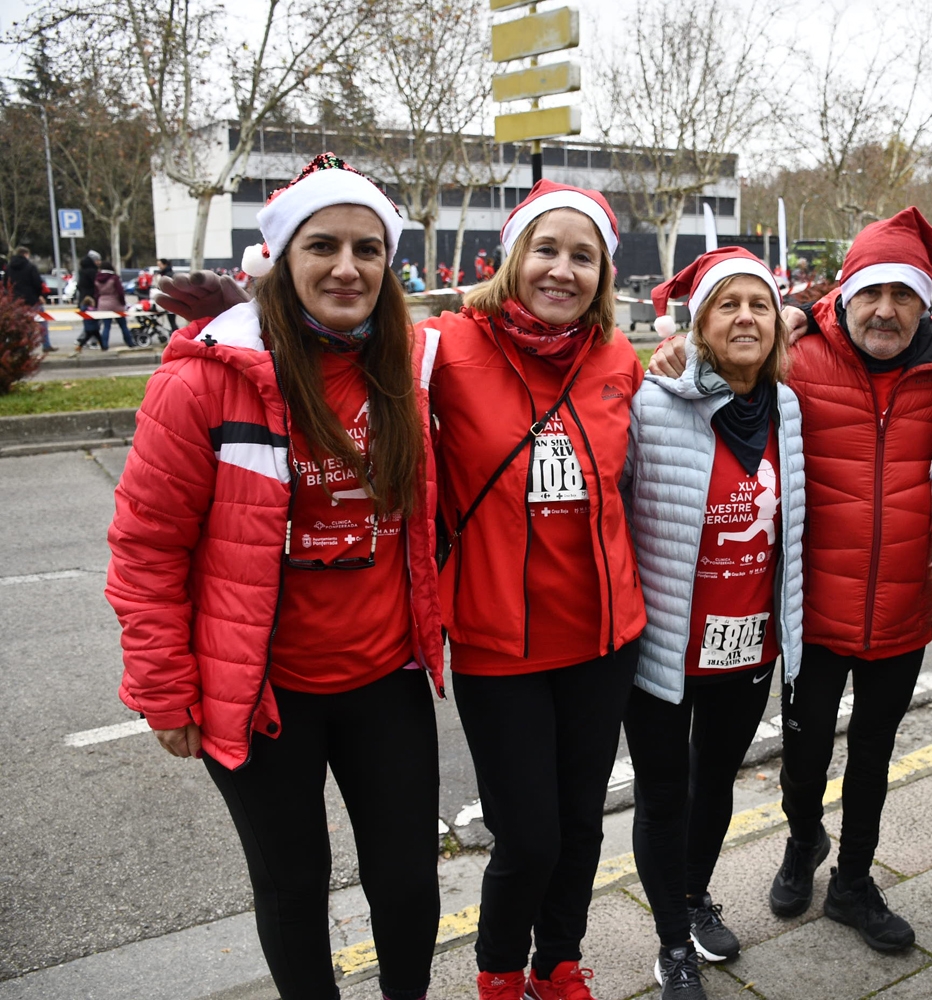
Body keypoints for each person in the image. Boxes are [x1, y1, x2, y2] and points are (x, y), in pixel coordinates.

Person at [105, 152, 445, 1000]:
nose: (346, 267)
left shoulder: (410, 367)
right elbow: (146, 548)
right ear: (283, 260)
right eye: (322, 245)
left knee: (407, 882)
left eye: (368, 249)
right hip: (263, 695)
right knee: (294, 888)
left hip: (384, 677)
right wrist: (164, 688)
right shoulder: (202, 383)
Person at [651, 207, 932, 954]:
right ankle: (802, 843)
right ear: (844, 295)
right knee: (805, 754)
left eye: (904, 295)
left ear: (926, 305)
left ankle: (853, 882)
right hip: (811, 613)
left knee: (874, 760)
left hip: (902, 612)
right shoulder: (802, 363)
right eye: (871, 293)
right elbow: (729, 365)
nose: (885, 310)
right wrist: (679, 353)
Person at [424, 180, 646, 1000]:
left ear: (603, 275)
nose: (562, 270)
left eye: (582, 256)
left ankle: (558, 961)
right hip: (498, 644)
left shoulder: (618, 359)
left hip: (602, 640)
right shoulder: (446, 347)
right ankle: (495, 972)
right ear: (514, 256)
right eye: (546, 250)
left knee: (582, 825)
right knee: (528, 836)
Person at [624, 247, 805, 1000]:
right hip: (664, 643)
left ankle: (693, 897)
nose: (745, 318)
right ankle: (672, 943)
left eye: (759, 305)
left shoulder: (789, 406)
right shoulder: (652, 401)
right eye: (726, 305)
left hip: (748, 640)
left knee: (717, 779)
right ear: (697, 323)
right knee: (664, 791)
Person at [5, 245, 52, 351]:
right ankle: (46, 345)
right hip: (31, 300)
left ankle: (20, 346)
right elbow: (37, 283)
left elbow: (5, 284)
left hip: (15, 301)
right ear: (26, 254)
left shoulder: (9, 268)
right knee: (42, 321)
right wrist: (39, 295)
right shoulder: (30, 267)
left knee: (19, 324)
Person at [93, 260, 135, 348]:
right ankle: (130, 343)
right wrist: (123, 303)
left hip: (103, 303)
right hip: (115, 303)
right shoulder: (114, 278)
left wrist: (97, 304)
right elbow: (120, 292)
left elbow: (96, 293)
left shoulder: (97, 278)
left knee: (106, 326)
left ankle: (104, 345)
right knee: (123, 325)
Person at [75, 249, 102, 351]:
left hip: (83, 299)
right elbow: (96, 285)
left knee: (88, 322)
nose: (99, 262)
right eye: (98, 260)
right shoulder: (92, 272)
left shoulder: (82, 271)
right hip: (92, 300)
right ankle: (91, 341)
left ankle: (82, 340)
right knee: (95, 322)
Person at [155, 259, 180, 331]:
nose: (159, 267)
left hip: (171, 300)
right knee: (171, 321)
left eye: (160, 265)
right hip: (169, 299)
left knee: (172, 321)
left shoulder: (168, 275)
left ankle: (175, 336)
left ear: (165, 264)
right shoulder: (164, 274)